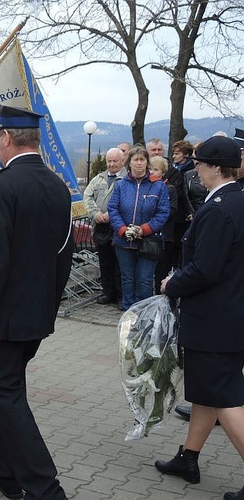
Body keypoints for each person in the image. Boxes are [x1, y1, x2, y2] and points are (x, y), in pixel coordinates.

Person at [0, 105, 73, 500]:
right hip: (35, 317)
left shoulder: (3, 186)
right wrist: (48, 309)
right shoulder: (58, 186)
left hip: (1, 321)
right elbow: (64, 255)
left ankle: (45, 487)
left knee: (6, 399)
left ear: (5, 138)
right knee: (11, 392)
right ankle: (7, 473)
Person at [153, 136, 244, 500]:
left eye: (200, 165)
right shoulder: (236, 199)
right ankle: (188, 458)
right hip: (230, 314)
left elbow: (205, 268)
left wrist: (172, 284)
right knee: (208, 393)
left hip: (215, 319)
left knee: (225, 399)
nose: (196, 170)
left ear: (215, 167)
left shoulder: (220, 207)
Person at [107, 145, 170, 310]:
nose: (139, 163)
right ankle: (129, 313)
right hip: (123, 241)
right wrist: (122, 229)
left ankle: (145, 313)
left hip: (149, 241)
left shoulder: (158, 186)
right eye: (136, 159)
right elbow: (113, 209)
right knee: (127, 279)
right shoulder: (121, 185)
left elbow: (163, 213)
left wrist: (144, 229)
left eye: (142, 159)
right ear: (129, 163)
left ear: (147, 163)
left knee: (144, 279)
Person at [83, 147, 126, 305]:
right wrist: (96, 214)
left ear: (122, 161)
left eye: (115, 161)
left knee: (120, 264)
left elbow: (128, 201)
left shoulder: (127, 179)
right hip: (101, 229)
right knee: (105, 262)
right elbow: (87, 196)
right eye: (109, 161)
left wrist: (110, 214)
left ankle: (122, 296)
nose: (112, 164)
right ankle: (108, 293)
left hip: (119, 228)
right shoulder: (98, 178)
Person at [148, 156, 178, 294]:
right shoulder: (146, 187)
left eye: (156, 169)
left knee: (161, 270)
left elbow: (171, 211)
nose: (152, 172)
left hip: (165, 236)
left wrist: (155, 216)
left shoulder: (169, 189)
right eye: (150, 169)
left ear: (163, 172)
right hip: (149, 235)